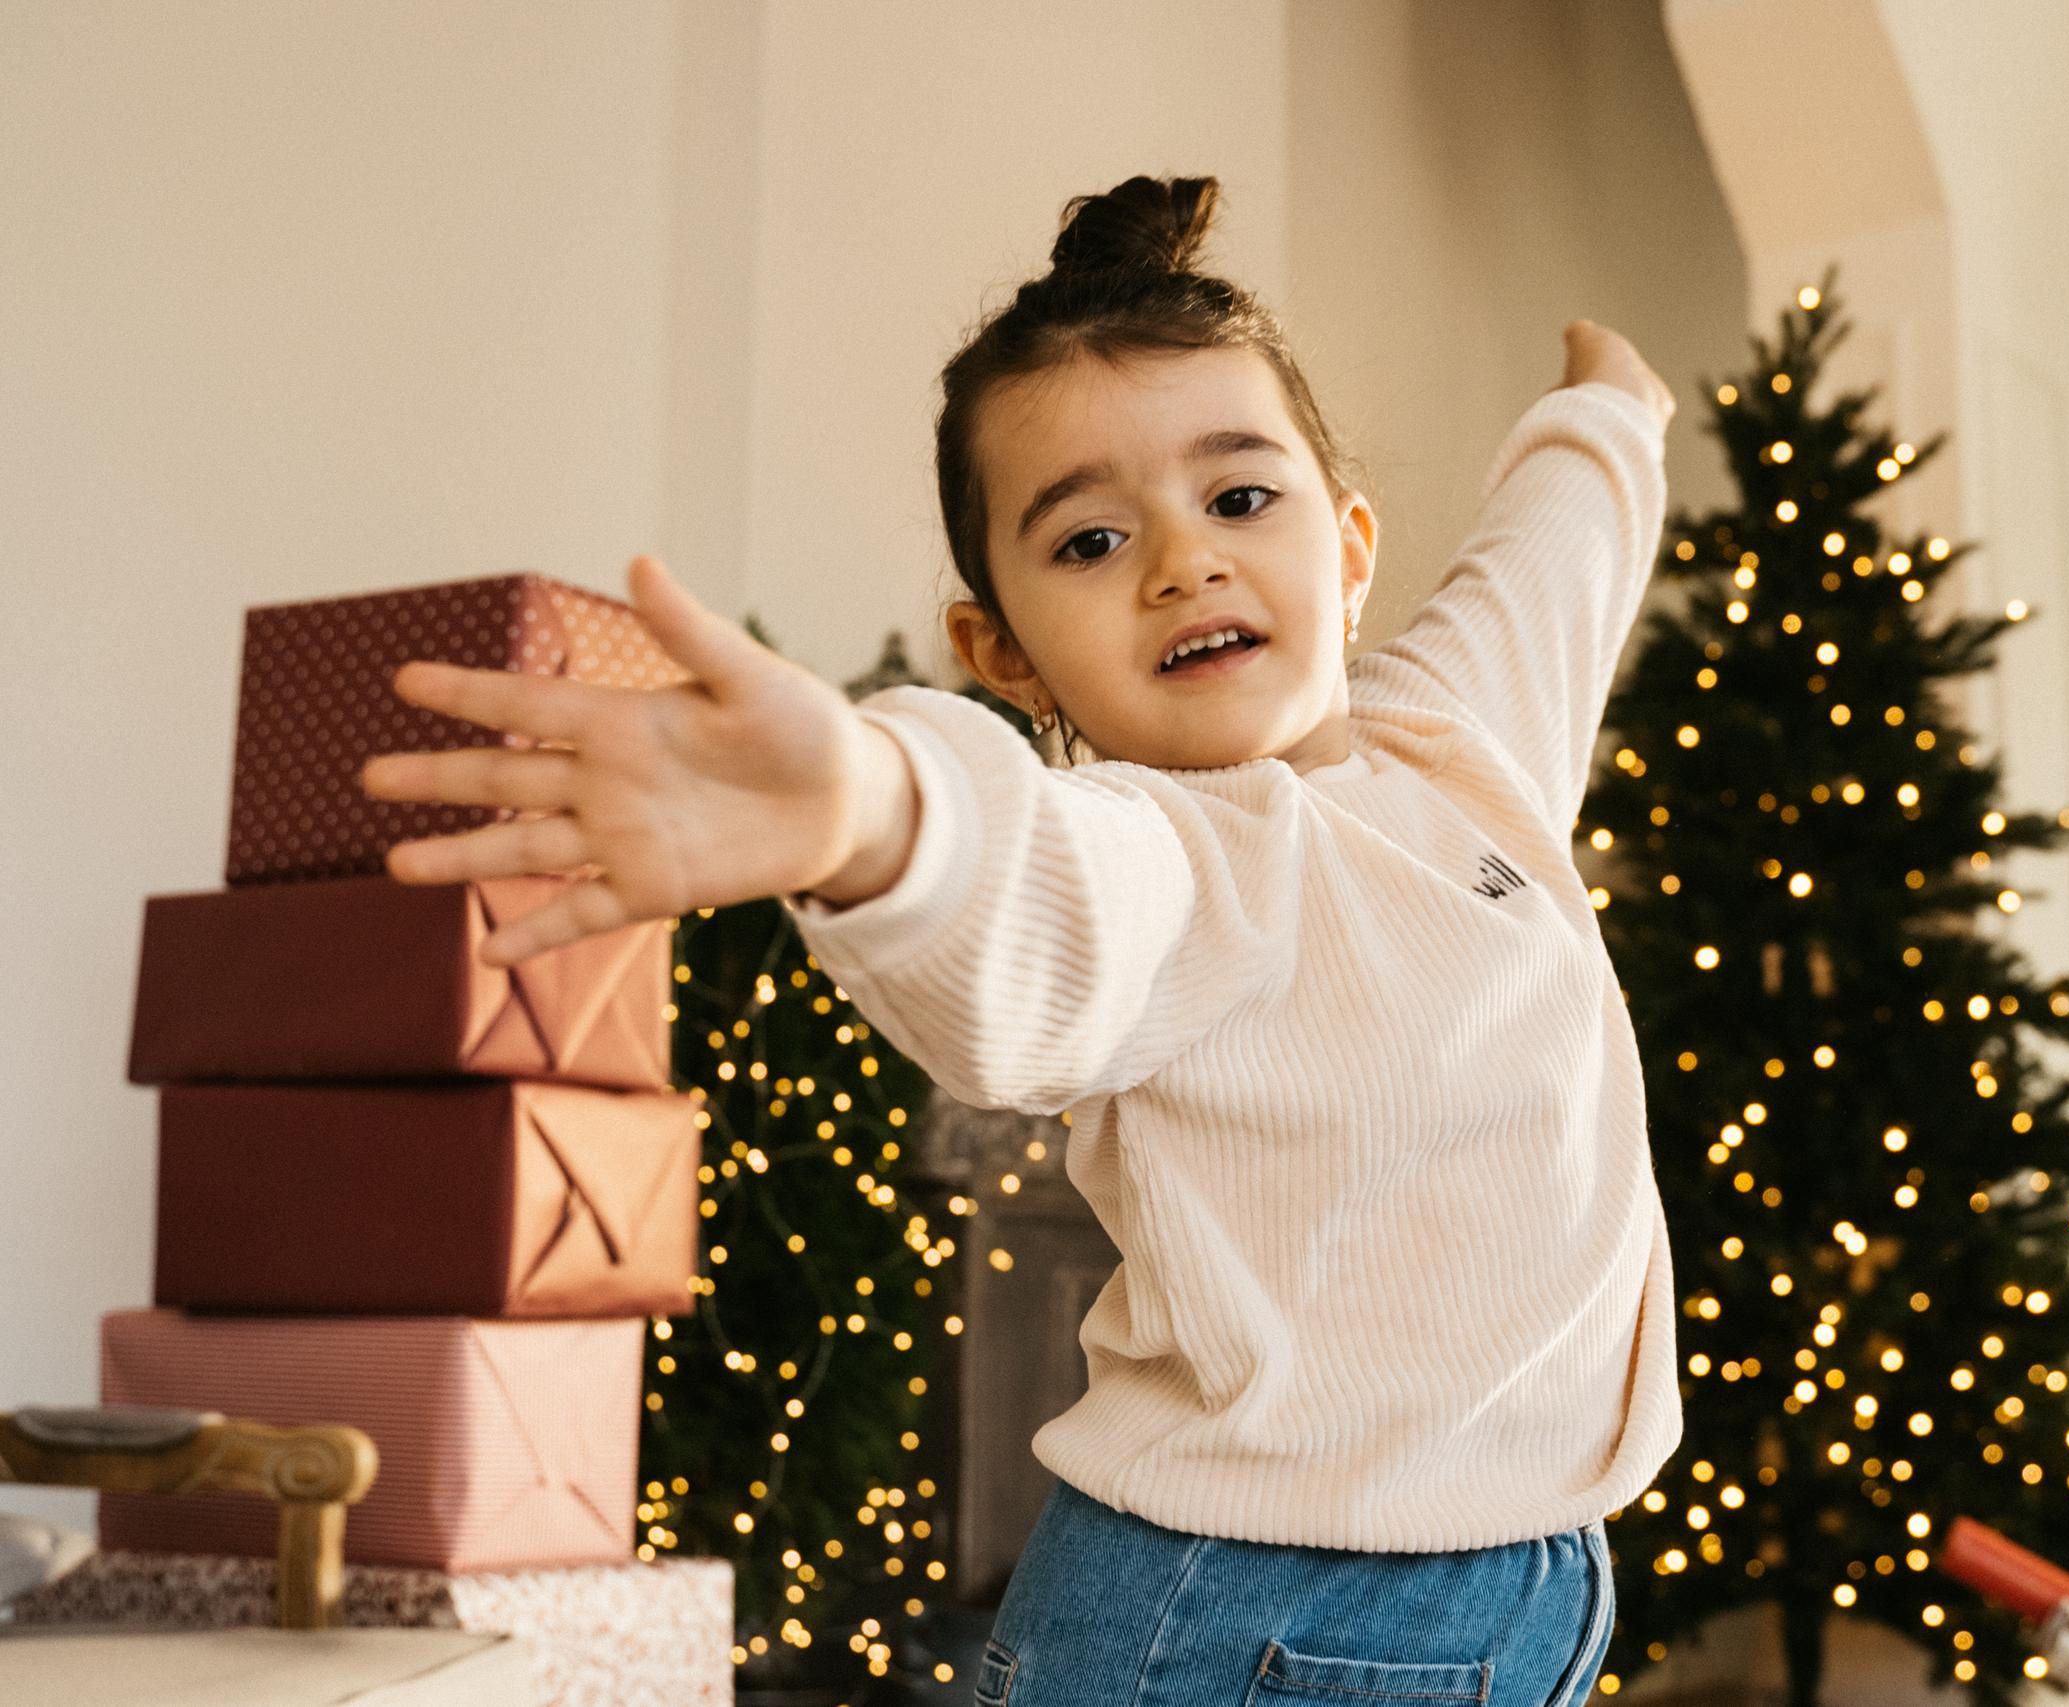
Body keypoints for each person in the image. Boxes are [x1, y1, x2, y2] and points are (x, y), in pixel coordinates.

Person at [361, 172, 1683, 1707]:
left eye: (1240, 499)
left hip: (1494, 1592)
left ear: (1350, 545)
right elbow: (1028, 889)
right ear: (1002, 652)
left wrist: (1611, 407)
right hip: (1235, 1626)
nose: (1183, 561)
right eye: (1090, 540)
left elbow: (1549, 565)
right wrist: (867, 811)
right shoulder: (1175, 858)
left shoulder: (1459, 745)